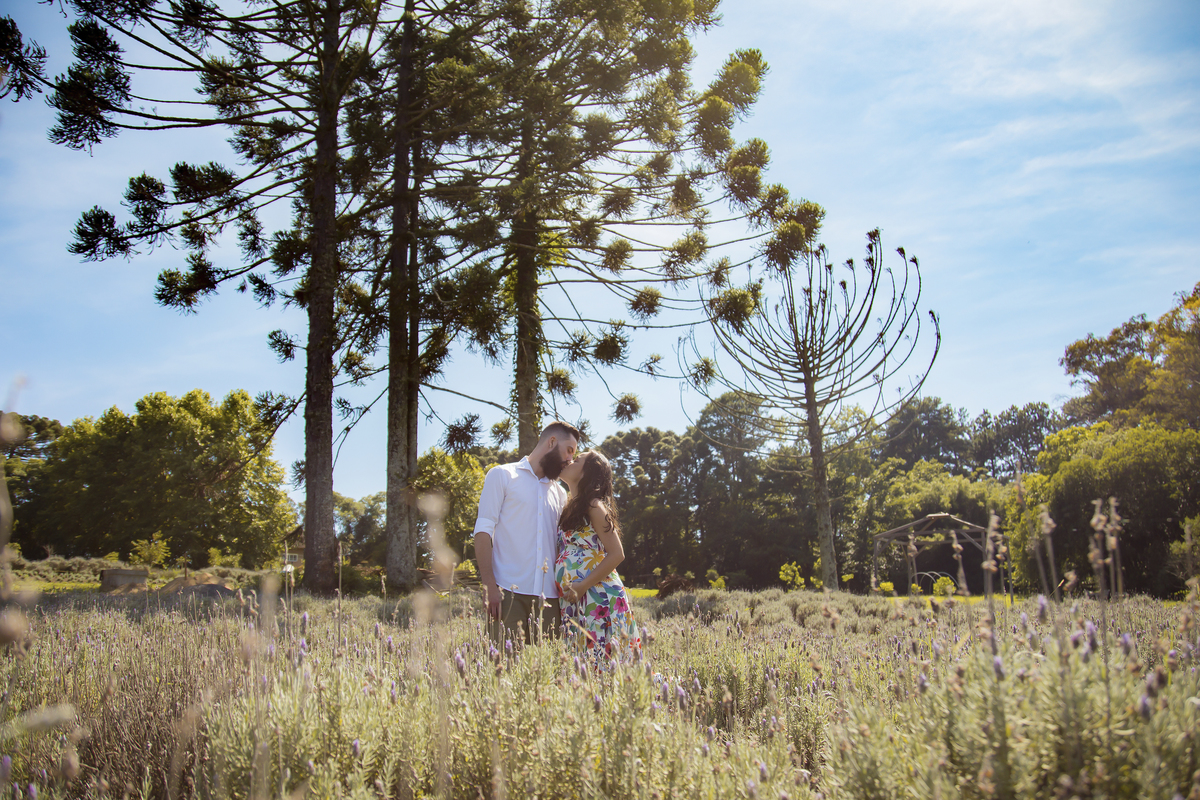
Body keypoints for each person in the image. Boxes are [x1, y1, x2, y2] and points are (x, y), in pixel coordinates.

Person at [473, 421, 580, 645]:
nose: (570, 459)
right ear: (552, 442)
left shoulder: (560, 494)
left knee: (550, 666)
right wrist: (489, 586)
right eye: (569, 450)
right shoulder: (502, 475)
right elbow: (483, 532)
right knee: (503, 663)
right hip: (507, 595)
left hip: (550, 600)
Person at [555, 449, 641, 664]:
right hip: (577, 599)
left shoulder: (593, 506)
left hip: (598, 596)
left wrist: (582, 586)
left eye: (577, 460)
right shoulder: (569, 506)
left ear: (587, 473)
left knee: (607, 663)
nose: (570, 461)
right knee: (585, 663)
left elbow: (617, 554)